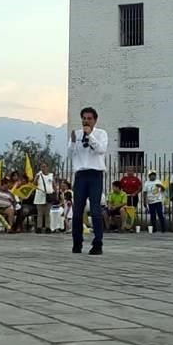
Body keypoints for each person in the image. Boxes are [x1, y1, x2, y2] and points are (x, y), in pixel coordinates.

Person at [69, 106, 108, 255]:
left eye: (89, 118)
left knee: (95, 209)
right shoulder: (76, 134)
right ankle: (77, 243)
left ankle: (97, 243)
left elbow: (101, 150)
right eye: (84, 118)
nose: (86, 121)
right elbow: (70, 154)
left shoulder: (101, 133)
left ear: (95, 120)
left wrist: (90, 135)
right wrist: (73, 143)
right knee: (77, 211)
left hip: (95, 174)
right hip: (80, 175)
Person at [33, 162, 56, 234]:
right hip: (40, 195)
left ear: (47, 167)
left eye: (45, 166)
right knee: (40, 213)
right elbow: (34, 183)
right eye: (42, 167)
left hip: (49, 195)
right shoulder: (38, 175)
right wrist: (37, 177)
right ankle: (39, 227)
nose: (43, 168)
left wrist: (54, 192)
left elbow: (54, 185)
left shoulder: (51, 175)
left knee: (47, 213)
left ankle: (47, 227)